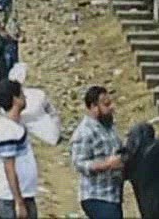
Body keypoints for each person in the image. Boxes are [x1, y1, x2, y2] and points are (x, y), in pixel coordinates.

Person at [69, 85, 125, 219]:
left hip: (113, 195)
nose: (111, 107)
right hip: (96, 196)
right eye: (106, 104)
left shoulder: (109, 127)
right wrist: (106, 164)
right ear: (93, 107)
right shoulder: (84, 131)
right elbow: (79, 163)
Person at [0, 78, 39, 219]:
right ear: (15, 99)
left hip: (24, 194)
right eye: (22, 94)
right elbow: (9, 168)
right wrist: (19, 202)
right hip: (10, 199)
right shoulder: (7, 130)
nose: (25, 97)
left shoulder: (16, 125)